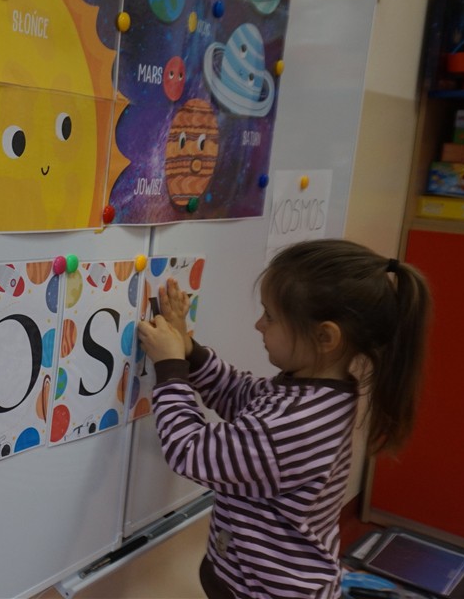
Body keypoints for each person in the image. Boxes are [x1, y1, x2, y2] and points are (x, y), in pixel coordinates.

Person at [136, 239, 432, 599]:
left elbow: (192, 452)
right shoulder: (318, 393)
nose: (259, 325)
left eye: (270, 316)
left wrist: (170, 369)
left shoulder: (297, 422)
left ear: (325, 336)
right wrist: (189, 352)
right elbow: (242, 396)